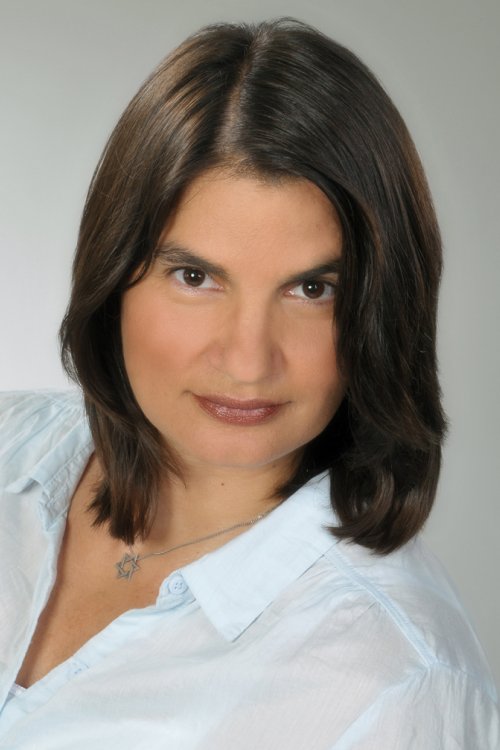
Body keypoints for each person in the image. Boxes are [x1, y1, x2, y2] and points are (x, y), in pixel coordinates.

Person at [0, 17, 498, 749]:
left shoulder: (396, 680)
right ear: (114, 276)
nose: (247, 361)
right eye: (195, 277)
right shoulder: (11, 447)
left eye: (312, 289)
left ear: (381, 312)